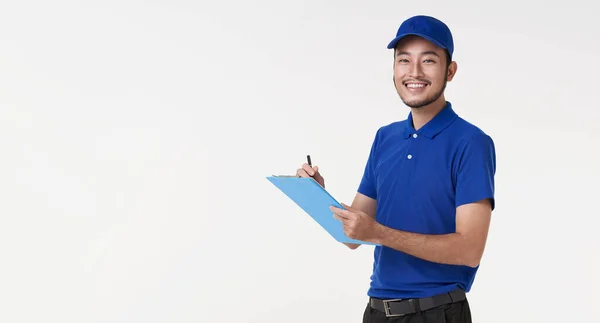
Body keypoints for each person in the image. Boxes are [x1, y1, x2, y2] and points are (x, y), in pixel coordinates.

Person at [296, 15, 496, 323]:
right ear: (394, 69)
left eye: (428, 61)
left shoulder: (470, 142)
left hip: (436, 313)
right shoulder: (385, 138)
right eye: (404, 60)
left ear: (450, 71)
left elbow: (469, 250)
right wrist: (315, 195)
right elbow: (352, 236)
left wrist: (378, 233)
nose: (414, 72)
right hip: (377, 311)